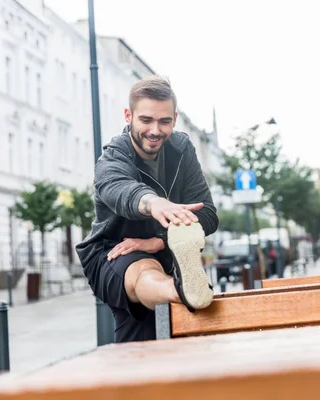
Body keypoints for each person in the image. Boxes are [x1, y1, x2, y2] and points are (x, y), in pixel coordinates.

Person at [76, 76, 218, 343]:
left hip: (165, 253)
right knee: (143, 269)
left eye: (164, 122)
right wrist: (154, 203)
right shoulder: (114, 155)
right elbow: (117, 188)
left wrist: (158, 240)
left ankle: (183, 289)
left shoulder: (181, 149)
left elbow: (208, 214)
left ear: (174, 119)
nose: (155, 130)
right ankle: (181, 291)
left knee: (143, 345)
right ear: (128, 116)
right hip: (113, 252)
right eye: (146, 120)